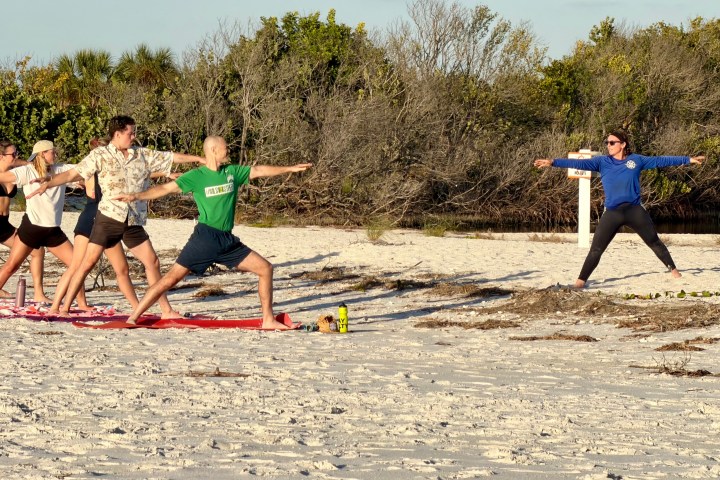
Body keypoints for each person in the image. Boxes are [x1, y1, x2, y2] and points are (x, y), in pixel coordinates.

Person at [113, 135, 312, 328]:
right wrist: (136, 196)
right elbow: (165, 189)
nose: (228, 150)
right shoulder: (196, 176)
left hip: (227, 240)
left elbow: (258, 170)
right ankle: (134, 317)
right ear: (214, 150)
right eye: (225, 147)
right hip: (205, 239)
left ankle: (268, 319)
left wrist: (288, 169)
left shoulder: (232, 172)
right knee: (170, 279)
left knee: (265, 269)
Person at [28, 115, 205, 317]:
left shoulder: (141, 154)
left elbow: (171, 157)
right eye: (131, 132)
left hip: (133, 219)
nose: (134, 136)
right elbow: (72, 174)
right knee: (87, 263)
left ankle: (166, 310)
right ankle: (64, 308)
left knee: (152, 262)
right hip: (108, 217)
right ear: (118, 134)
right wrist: (49, 182)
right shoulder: (100, 155)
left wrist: (198, 159)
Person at [534, 129, 704, 288]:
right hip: (613, 212)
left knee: (654, 242)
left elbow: (661, 160)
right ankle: (579, 283)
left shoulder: (636, 160)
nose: (608, 145)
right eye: (607, 142)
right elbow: (580, 163)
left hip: (634, 210)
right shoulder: (602, 162)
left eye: (612, 142)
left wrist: (688, 159)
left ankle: (675, 273)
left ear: (623, 144)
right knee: (596, 249)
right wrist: (552, 162)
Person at [0, 140, 89, 308]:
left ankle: (82, 303)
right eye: (52, 152)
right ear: (42, 154)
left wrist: (84, 182)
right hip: (31, 228)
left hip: (53, 231)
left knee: (78, 265)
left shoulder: (61, 170)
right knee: (11, 266)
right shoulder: (27, 171)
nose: (55, 154)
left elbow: (85, 172)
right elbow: (3, 176)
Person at [0, 141, 50, 303]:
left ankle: (39, 293)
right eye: (13, 154)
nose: (17, 156)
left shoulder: (15, 174)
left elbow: (24, 164)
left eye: (17, 152)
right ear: (1, 156)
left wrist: (30, 162)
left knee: (37, 250)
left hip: (3, 226)